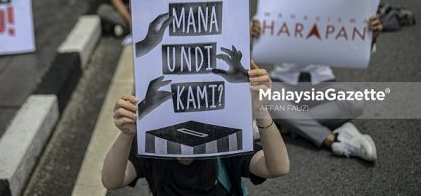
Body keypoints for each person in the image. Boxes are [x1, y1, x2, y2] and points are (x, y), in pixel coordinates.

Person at [250, 0, 382, 161]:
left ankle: (284, 125)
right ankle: (332, 138)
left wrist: (371, 34)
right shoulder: (268, 11)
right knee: (264, 96)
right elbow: (247, 58)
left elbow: (357, 50)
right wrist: (250, 36)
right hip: (284, 85)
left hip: (322, 85)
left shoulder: (335, 8)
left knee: (355, 101)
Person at [102, 62, 290, 194]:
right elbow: (112, 180)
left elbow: (277, 167)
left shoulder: (223, 143)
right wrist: (126, 134)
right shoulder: (154, 144)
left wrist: (261, 111)